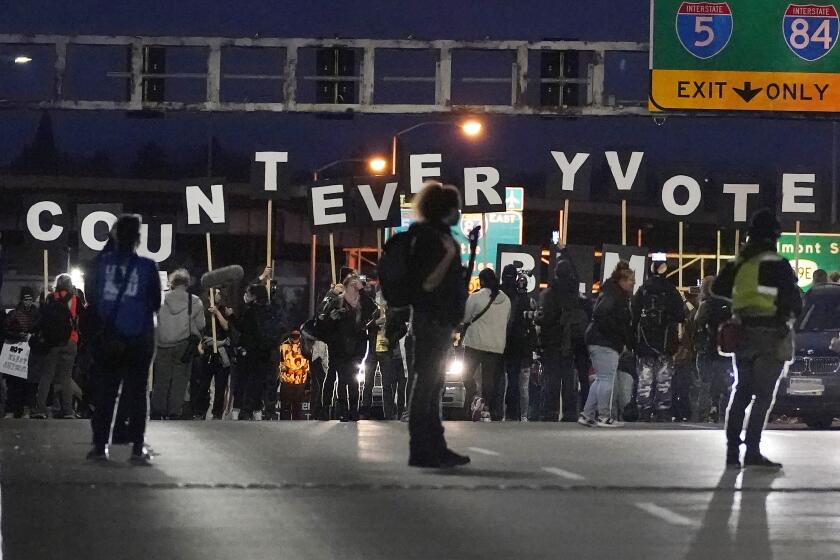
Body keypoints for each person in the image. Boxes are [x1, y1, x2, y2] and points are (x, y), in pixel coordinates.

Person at [713, 209, 801, 469]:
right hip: (770, 335)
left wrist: (741, 298)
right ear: (775, 236)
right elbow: (795, 302)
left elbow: (717, 287)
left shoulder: (740, 263)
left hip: (742, 334)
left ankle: (731, 453)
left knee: (741, 392)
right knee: (762, 397)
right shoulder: (777, 264)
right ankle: (752, 451)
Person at [405, 181, 471, 467]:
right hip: (432, 320)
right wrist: (447, 257)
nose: (459, 213)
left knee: (434, 384)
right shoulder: (432, 240)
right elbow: (428, 283)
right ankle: (422, 447)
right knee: (427, 384)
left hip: (439, 320)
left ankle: (435, 444)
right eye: (455, 207)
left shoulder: (436, 236)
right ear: (446, 210)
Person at [86, 214, 161, 463]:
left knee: (106, 393)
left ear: (114, 237)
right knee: (138, 393)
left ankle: (99, 447)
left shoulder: (100, 265)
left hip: (109, 337)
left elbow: (92, 299)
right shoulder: (148, 267)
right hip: (139, 338)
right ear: (138, 239)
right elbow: (155, 303)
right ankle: (137, 449)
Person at [580, 261, 635, 428]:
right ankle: (604, 416)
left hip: (598, 340)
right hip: (605, 342)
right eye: (631, 280)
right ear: (622, 280)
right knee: (606, 379)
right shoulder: (615, 295)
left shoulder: (609, 291)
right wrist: (618, 336)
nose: (633, 283)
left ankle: (587, 414)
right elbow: (602, 315)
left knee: (601, 379)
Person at [632, 254, 686, 422]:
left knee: (644, 379)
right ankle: (663, 410)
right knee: (664, 379)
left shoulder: (643, 289)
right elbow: (681, 315)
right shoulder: (671, 290)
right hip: (665, 342)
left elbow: (633, 316)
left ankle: (644, 410)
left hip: (645, 343)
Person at [535, 259, 589, 422]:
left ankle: (550, 412)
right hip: (571, 341)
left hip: (552, 341)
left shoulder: (549, 294)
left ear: (556, 273)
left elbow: (546, 318)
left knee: (552, 378)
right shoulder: (575, 294)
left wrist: (539, 320)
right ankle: (570, 412)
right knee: (568, 379)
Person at [317, 274, 375, 422]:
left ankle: (354, 409)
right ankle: (343, 410)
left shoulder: (362, 302)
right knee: (342, 378)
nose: (354, 289)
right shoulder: (337, 301)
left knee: (354, 378)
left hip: (358, 346)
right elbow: (324, 322)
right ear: (346, 286)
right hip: (339, 346)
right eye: (352, 285)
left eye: (357, 286)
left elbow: (373, 309)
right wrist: (332, 318)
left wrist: (361, 290)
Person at [152, 269, 205, 420]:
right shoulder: (194, 301)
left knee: (161, 378)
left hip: (162, 343)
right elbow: (201, 324)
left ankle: (157, 410)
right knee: (180, 379)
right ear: (187, 284)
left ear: (172, 283)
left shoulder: (160, 299)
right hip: (183, 344)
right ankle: (174, 411)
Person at [461, 268, 511, 422]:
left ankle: (474, 396)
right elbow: (507, 320)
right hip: (495, 345)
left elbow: (465, 317)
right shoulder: (506, 300)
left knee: (466, 374)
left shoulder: (476, 297)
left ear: (481, 281)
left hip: (475, 342)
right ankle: (485, 408)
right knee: (489, 378)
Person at [31, 274, 82, 419]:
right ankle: (68, 411)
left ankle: (40, 409)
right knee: (66, 377)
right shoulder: (75, 299)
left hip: (52, 341)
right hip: (71, 340)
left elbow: (44, 318)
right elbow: (81, 319)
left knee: (47, 375)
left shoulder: (50, 297)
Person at [233, 273, 282, 421]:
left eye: (248, 294)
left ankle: (246, 410)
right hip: (269, 352)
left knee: (250, 382)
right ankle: (266, 410)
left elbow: (243, 328)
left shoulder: (251, 311)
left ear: (254, 297)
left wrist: (231, 317)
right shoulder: (272, 310)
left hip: (253, 353)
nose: (246, 296)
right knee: (267, 383)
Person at [693, 276, 733, 423]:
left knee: (705, 385)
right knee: (725, 385)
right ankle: (724, 416)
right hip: (725, 352)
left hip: (706, 351)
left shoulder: (705, 306)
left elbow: (697, 325)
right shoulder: (729, 305)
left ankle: (703, 416)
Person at [193, 289, 236, 420]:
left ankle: (217, 413)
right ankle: (199, 411)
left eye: (219, 293)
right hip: (208, 351)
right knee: (203, 384)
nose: (218, 295)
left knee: (220, 385)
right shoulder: (204, 311)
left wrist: (217, 313)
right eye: (215, 293)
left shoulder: (225, 310)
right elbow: (200, 329)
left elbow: (227, 327)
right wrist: (200, 345)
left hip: (222, 352)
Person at [500, 264, 535, 421]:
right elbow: (530, 324)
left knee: (502, 380)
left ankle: (498, 411)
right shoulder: (523, 298)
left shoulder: (498, 293)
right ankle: (520, 415)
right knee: (521, 385)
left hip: (500, 342)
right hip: (521, 345)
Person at [3, 287, 39, 418]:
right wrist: (18, 336)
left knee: (28, 383)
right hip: (16, 353)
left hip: (29, 353)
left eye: (30, 299)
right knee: (14, 383)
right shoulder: (13, 313)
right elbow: (5, 330)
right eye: (26, 299)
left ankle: (25, 409)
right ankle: (13, 409)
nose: (28, 302)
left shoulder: (36, 314)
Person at [277, 329, 309, 420]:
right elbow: (280, 361)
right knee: (285, 405)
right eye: (293, 336)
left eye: (297, 336)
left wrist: (307, 382)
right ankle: (284, 424)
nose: (295, 338)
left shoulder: (304, 346)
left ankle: (296, 425)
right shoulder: (284, 346)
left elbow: (307, 364)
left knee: (297, 406)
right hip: (287, 379)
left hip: (300, 380)